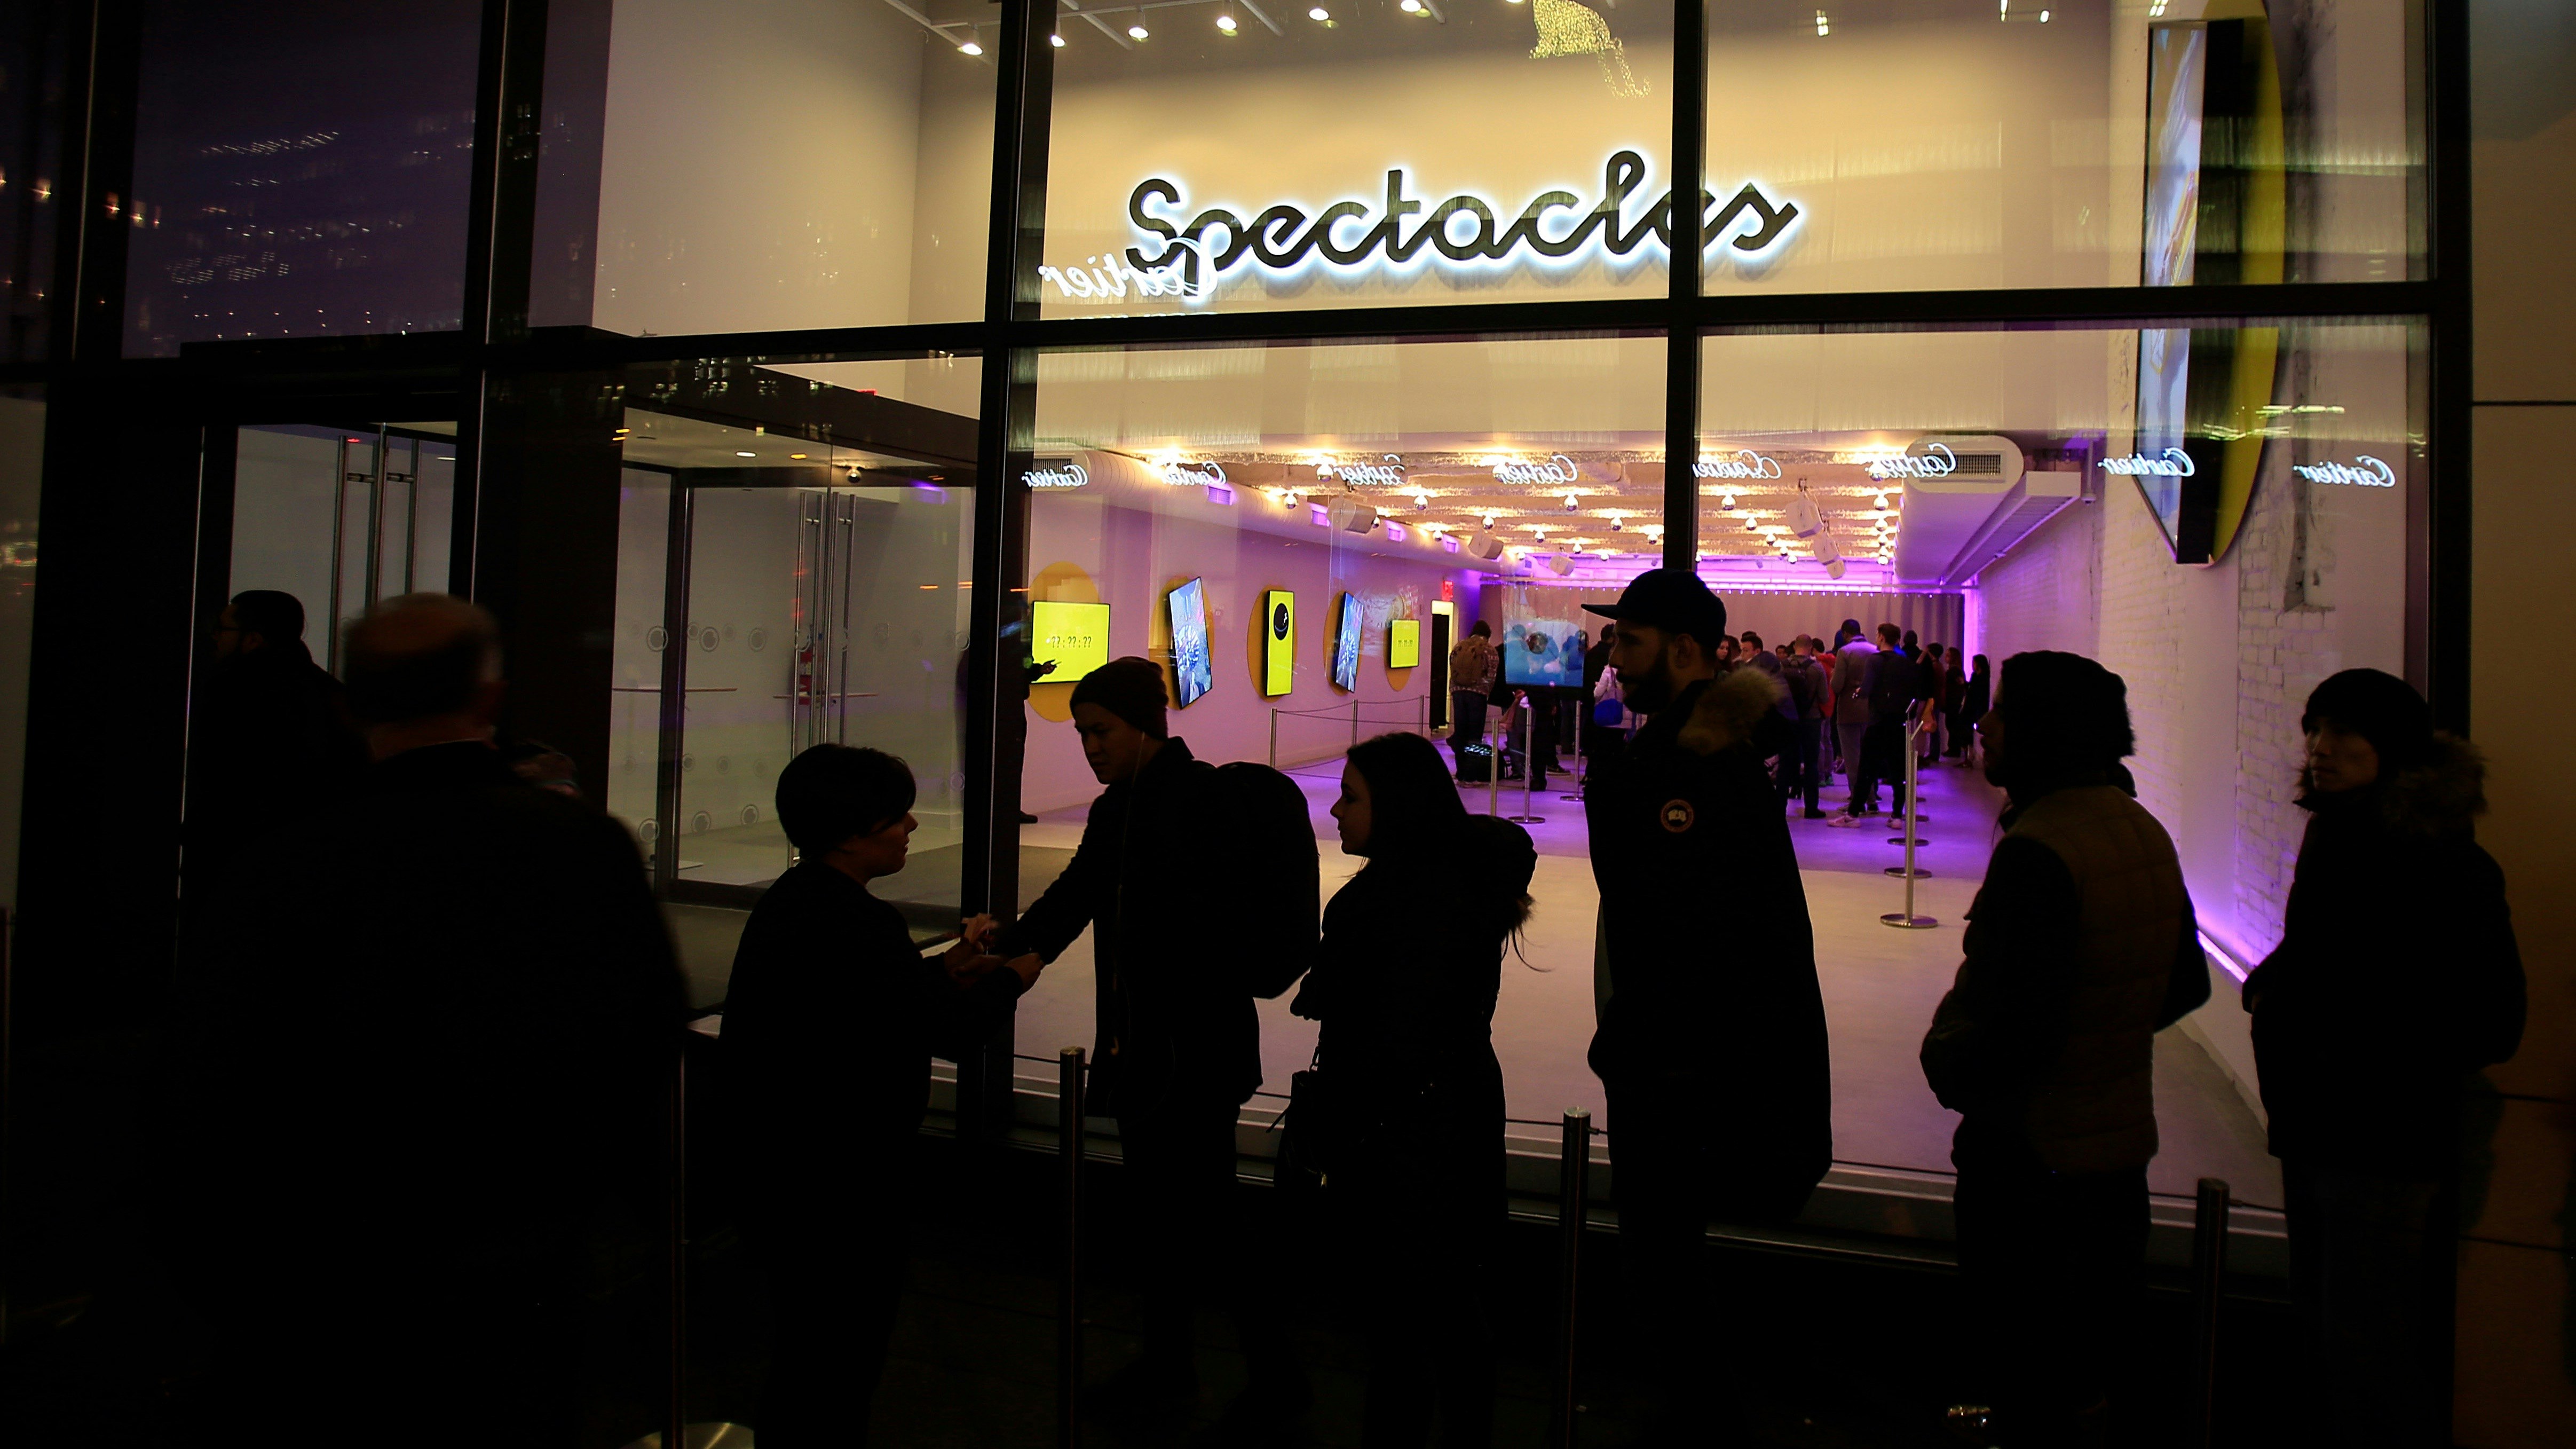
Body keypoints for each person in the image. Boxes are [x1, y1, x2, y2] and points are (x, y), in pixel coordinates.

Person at [154, 594, 685, 1447]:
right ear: (489, 699)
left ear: (353, 700)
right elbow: (640, 1032)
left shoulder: (290, 858)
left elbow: (212, 1067)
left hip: (318, 1251)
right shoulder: (579, 845)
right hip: (520, 1241)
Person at [977, 657, 1308, 1435]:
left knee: (1207, 1218)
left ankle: (1270, 1375)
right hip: (1146, 1046)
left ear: (1143, 725)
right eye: (1083, 733)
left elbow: (1187, 919)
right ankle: (1181, 1363)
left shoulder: (1196, 803)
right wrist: (1012, 949)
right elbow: (1078, 894)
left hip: (1191, 1048)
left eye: (1101, 731)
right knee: (1166, 1217)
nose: (1089, 747)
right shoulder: (1121, 807)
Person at [1919, 650, 2211, 1446]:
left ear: (2041, 732)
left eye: (2002, 713)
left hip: (2029, 1157)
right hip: (2114, 1145)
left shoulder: (2042, 848)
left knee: (2015, 1348)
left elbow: (2014, 1024)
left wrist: (1947, 1061)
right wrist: (2104, 1035)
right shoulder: (2136, 826)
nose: (1983, 722)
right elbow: (2185, 984)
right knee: (2087, 1353)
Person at [725, 744, 1042, 1443]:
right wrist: (1012, 975)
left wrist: (944, 969)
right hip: (841, 1185)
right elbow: (947, 1029)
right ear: (851, 831)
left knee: (809, 1352)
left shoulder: (798, 902)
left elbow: (871, 1003)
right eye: (896, 816)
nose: (910, 828)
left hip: (788, 1175)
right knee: (836, 1360)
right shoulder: (857, 921)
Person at [2244, 669, 2524, 1446]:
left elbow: (2493, 1021)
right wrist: (2275, 988)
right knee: (2325, 1319)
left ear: (2391, 752)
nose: (2320, 750)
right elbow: (2320, 954)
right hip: (2315, 1124)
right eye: (2316, 731)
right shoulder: (2337, 833)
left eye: (2343, 735)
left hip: (2380, 1140)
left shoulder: (2443, 864)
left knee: (2371, 1342)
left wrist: (2348, 1041)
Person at [1581, 570, 1831, 1437]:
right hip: (1671, 1058)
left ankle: (1703, 1419)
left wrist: (1647, 1051)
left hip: (1675, 1068)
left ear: (1684, 651)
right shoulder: (1692, 748)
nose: (1614, 657)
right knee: (1663, 1260)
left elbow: (1680, 928)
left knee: (1664, 1260)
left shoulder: (1691, 767)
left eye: (1629, 641)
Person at [1293, 732, 1536, 1447]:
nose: (1335, 809)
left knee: (1405, 1319)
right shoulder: (1453, 886)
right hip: (1452, 1113)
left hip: (1400, 1135)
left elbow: (1389, 1032)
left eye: (1352, 796)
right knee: (1448, 1308)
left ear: (1395, 805)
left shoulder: (1392, 906)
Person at [184, 588, 366, 895]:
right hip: (310, 869)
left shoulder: (232, 695)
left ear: (253, 639)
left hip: (234, 866)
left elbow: (224, 789)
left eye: (223, 629)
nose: (214, 636)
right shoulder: (330, 693)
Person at [1779, 635, 1828, 818]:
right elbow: (1824, 698)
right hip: (1811, 720)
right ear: (1810, 648)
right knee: (1811, 763)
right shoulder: (1817, 668)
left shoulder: (1782, 666)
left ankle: (1780, 806)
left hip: (1788, 720)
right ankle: (1811, 808)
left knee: (1785, 763)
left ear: (1794, 646)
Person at [1449, 620, 1497, 775]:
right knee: (1475, 735)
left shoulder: (1459, 646)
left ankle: (1460, 772)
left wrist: (1456, 689)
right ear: (1487, 635)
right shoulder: (1489, 649)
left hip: (1458, 693)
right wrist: (1485, 690)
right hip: (1478, 695)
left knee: (1460, 732)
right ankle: (1471, 774)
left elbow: (1452, 668)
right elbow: (1491, 676)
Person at [1957, 653, 1992, 766]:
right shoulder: (1975, 676)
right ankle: (1968, 756)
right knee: (1964, 731)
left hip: (1975, 709)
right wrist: (1965, 685)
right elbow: (1971, 690)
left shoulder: (1983, 678)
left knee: (1968, 731)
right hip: (1969, 707)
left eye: (1974, 663)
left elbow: (1978, 694)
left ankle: (1969, 758)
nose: (1973, 665)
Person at [1941, 647, 1970, 759]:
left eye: (1948, 655)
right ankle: (1954, 748)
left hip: (1953, 702)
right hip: (1954, 701)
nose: (1946, 657)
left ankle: (1954, 748)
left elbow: (1960, 683)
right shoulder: (1956, 670)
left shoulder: (1954, 671)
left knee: (1951, 724)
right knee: (1951, 724)